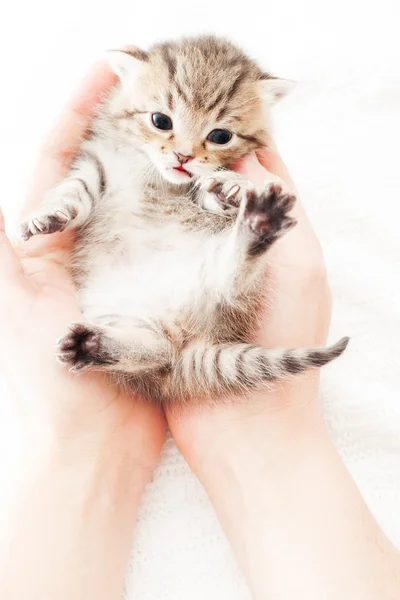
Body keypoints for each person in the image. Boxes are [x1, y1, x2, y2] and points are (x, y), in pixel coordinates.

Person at [0, 61, 398, 600]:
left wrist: (80, 444)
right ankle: (129, 339)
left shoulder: (210, 176)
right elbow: (86, 178)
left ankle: (243, 247)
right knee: (169, 314)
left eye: (217, 136)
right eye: (163, 122)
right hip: (139, 297)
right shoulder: (114, 142)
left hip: (184, 291)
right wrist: (59, 210)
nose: (184, 152)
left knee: (208, 286)